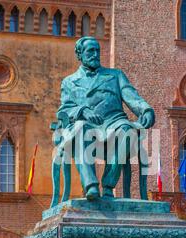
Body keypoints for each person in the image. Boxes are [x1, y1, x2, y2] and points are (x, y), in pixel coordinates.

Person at [57, 36, 155, 200]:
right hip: (87, 124)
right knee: (80, 129)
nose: (95, 54)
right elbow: (64, 110)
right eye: (90, 51)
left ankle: (108, 185)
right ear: (80, 54)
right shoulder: (69, 82)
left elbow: (132, 97)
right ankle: (91, 186)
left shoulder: (115, 75)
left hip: (114, 122)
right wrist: (82, 110)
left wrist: (146, 110)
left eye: (97, 51)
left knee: (128, 130)